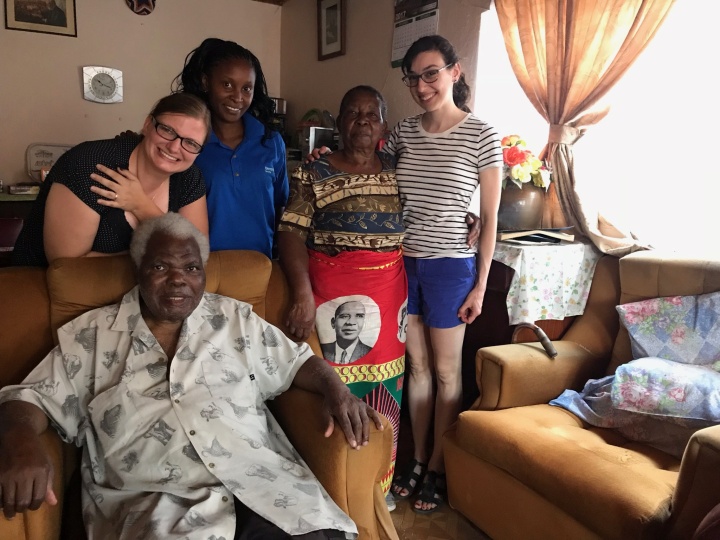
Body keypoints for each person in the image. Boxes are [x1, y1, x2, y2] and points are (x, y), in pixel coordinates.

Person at [0, 213, 383, 539]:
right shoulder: (94, 335)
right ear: (139, 269)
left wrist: (338, 391)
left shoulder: (235, 319)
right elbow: (29, 398)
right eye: (161, 267)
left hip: (260, 488)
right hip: (152, 503)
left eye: (191, 268)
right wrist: (19, 437)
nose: (178, 280)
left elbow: (298, 361)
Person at [385, 35, 503, 514]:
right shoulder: (402, 133)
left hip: (451, 267)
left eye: (431, 73)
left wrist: (480, 284)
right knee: (416, 370)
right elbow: (377, 184)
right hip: (401, 265)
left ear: (455, 72)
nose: (421, 85)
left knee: (447, 373)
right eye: (413, 77)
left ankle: (436, 464)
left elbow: (491, 217)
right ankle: (415, 459)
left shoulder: (482, 135)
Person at [278, 86, 407, 510]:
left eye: (372, 114)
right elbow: (290, 232)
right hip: (331, 297)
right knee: (333, 385)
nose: (363, 121)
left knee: (385, 385)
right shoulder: (312, 173)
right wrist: (302, 295)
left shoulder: (398, 168)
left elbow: (432, 203)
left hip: (389, 296)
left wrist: (470, 217)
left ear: (384, 125)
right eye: (353, 113)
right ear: (338, 124)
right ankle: (332, 482)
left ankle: (374, 483)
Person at [12, 92, 209, 267]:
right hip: (44, 291)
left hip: (137, 296)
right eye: (167, 130)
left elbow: (195, 256)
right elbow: (66, 267)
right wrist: (161, 258)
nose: (174, 148)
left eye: (191, 143)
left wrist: (140, 205)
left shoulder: (190, 178)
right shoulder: (90, 164)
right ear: (148, 125)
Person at [173, 38, 288, 259]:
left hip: (259, 268)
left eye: (247, 88)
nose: (237, 97)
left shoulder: (270, 142)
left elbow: (281, 208)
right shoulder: (187, 142)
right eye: (227, 84)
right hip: (201, 267)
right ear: (206, 82)